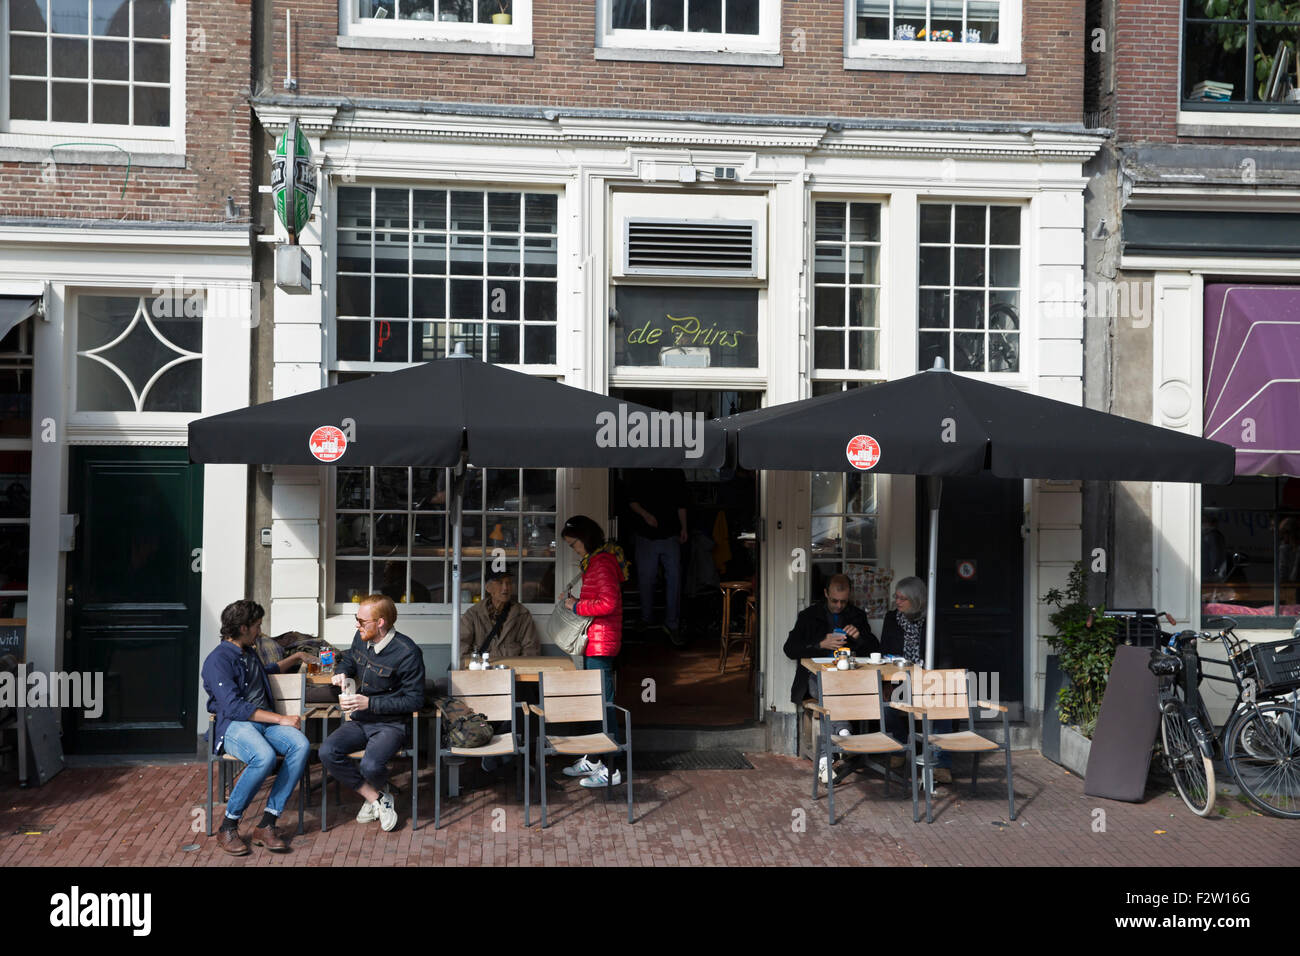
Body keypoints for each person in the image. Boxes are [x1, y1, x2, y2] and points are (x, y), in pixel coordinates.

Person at [201, 600, 312, 856]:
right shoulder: (217, 661)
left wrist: (295, 657)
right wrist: (281, 719)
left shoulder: (248, 653)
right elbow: (234, 707)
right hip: (235, 726)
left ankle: (267, 823)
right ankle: (228, 826)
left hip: (262, 724)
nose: (260, 631)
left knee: (301, 745)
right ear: (243, 627)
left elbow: (266, 671)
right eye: (257, 626)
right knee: (263, 757)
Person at [320, 594, 426, 832]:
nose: (356, 625)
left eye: (361, 620)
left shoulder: (408, 652)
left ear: (381, 622)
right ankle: (376, 798)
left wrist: (371, 704)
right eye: (356, 620)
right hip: (360, 720)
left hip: (391, 725)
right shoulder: (361, 638)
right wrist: (341, 672)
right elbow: (349, 660)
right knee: (327, 751)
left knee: (370, 766)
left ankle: (376, 795)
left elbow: (416, 700)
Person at [782, 574, 880, 784]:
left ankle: (827, 758)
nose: (838, 606)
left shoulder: (856, 615)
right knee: (827, 690)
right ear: (826, 593)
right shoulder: (809, 615)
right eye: (834, 600)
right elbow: (789, 649)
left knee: (831, 701)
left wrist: (859, 638)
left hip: (848, 680)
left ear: (849, 596)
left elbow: (875, 649)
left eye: (843, 601)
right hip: (815, 678)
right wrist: (819, 644)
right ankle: (843, 731)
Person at [559, 514, 629, 788]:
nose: (574, 550)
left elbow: (607, 604)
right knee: (597, 701)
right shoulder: (598, 562)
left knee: (604, 704)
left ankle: (610, 769)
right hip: (598, 640)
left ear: (584, 539)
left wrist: (575, 606)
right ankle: (594, 758)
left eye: (573, 544)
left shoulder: (600, 564)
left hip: (602, 642)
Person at [880, 576, 952, 784]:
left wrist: (937, 681)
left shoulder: (935, 621)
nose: (898, 602)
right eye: (897, 597)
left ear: (917, 600)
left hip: (930, 681)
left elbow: (946, 655)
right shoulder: (891, 619)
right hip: (900, 681)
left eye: (903, 598)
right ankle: (901, 747)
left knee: (942, 707)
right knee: (886, 706)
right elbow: (884, 650)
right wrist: (888, 682)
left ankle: (942, 762)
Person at [625, 468, 688, 642]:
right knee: (647, 579)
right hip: (647, 534)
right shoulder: (640, 472)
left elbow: (681, 504)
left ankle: (671, 623)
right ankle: (647, 617)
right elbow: (632, 501)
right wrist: (646, 516)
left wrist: (684, 527)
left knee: (673, 580)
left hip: (670, 533)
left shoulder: (675, 472)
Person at [461, 569, 540, 660]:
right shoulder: (473, 614)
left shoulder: (522, 614)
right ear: (488, 588)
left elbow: (531, 649)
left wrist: (518, 670)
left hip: (512, 671)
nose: (505, 587)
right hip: (482, 671)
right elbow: (461, 648)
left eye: (508, 583)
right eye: (500, 582)